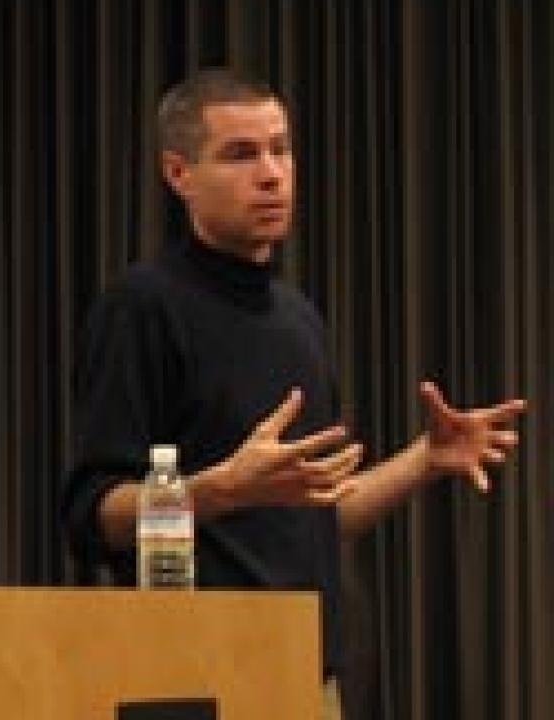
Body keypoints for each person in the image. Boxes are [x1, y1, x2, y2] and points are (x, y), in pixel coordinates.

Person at [62, 67, 525, 720]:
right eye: (241, 154)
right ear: (177, 174)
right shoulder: (143, 308)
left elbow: (313, 518)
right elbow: (93, 515)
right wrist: (221, 488)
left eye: (280, 148)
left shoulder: (297, 318)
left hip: (304, 676)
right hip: (189, 679)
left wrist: (424, 460)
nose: (272, 174)